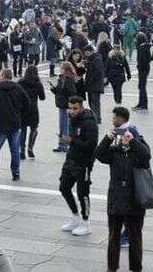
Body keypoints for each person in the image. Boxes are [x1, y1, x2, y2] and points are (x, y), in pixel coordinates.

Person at [95, 107, 151, 272]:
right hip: (116, 200)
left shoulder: (138, 154)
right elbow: (99, 154)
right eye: (122, 137)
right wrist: (107, 138)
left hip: (135, 201)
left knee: (135, 237)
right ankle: (111, 268)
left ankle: (136, 268)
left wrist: (133, 141)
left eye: (126, 137)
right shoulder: (114, 153)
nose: (123, 140)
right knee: (113, 237)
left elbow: (147, 156)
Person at [59, 96, 98, 237]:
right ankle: (75, 217)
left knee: (83, 193)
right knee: (64, 187)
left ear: (81, 107)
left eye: (75, 108)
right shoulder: (72, 120)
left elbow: (91, 145)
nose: (71, 111)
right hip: (71, 159)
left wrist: (71, 141)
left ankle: (86, 222)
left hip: (84, 163)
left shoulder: (89, 122)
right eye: (70, 108)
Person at [18, 65, 45, 160]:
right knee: (34, 129)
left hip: (23, 109)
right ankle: (30, 147)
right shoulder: (38, 83)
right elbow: (42, 98)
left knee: (23, 130)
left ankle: (22, 149)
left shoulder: (21, 82)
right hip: (33, 109)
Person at [50, 61, 78, 153]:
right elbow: (59, 91)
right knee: (62, 126)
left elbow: (72, 93)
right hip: (61, 105)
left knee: (65, 126)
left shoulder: (68, 80)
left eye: (61, 68)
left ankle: (64, 145)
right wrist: (54, 89)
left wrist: (71, 106)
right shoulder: (62, 78)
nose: (60, 69)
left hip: (66, 106)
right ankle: (62, 145)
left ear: (66, 69)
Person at [82, 45, 105, 124]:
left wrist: (91, 79)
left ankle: (97, 118)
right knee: (91, 102)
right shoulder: (91, 59)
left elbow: (98, 72)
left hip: (95, 85)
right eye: (85, 53)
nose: (86, 54)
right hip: (91, 85)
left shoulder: (97, 59)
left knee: (95, 103)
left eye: (87, 52)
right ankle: (95, 117)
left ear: (91, 51)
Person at [132, 33, 151, 112]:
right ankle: (141, 103)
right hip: (145, 68)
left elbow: (142, 60)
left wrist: (139, 67)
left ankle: (143, 105)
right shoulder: (145, 46)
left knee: (142, 86)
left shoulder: (142, 48)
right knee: (141, 86)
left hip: (143, 69)